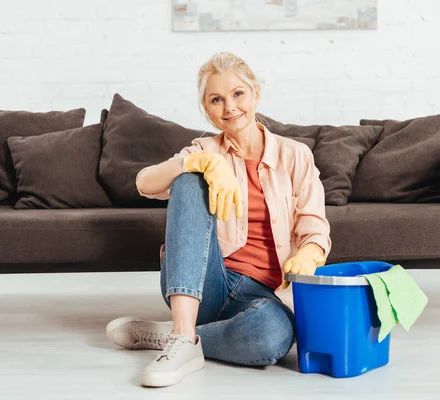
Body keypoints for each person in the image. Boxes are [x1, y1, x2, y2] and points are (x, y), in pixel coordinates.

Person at [105, 52, 332, 388]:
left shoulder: (294, 154)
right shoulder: (204, 148)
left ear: (256, 93)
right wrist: (201, 163)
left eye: (238, 94)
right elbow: (144, 182)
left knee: (272, 338)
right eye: (217, 99)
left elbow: (315, 228)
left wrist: (309, 255)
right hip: (205, 283)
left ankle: (176, 337)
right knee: (188, 176)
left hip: (267, 295)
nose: (230, 107)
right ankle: (183, 334)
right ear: (206, 107)